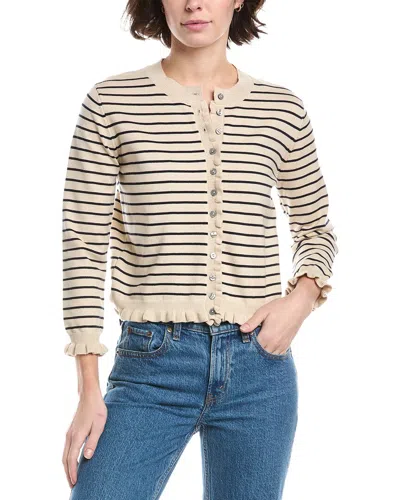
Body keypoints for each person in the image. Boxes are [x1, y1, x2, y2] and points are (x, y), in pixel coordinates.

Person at [62, 1, 339, 498]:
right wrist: (87, 387)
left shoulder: (282, 109)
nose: (194, 3)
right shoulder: (111, 103)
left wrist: (298, 302)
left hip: (260, 369)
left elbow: (316, 228)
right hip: (150, 365)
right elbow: (83, 243)